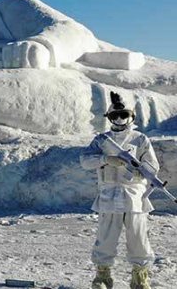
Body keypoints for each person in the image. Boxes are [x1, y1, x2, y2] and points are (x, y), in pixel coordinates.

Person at [80, 92, 158, 289]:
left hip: (134, 196)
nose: (120, 119)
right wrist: (105, 160)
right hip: (108, 195)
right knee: (106, 238)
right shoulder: (102, 140)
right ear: (109, 118)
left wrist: (139, 169)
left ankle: (140, 277)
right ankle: (103, 277)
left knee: (138, 237)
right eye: (115, 116)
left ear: (131, 116)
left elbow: (152, 166)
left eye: (124, 115)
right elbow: (85, 160)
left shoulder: (140, 139)